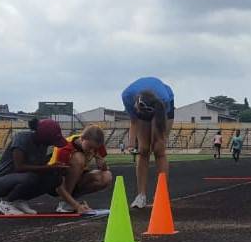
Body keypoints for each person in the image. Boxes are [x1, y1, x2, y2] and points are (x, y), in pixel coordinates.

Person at [0, 119, 68, 215]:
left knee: (55, 179)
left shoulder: (42, 144)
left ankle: (18, 200)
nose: (52, 144)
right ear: (45, 137)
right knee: (31, 177)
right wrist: (50, 168)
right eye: (52, 141)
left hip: (21, 177)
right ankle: (6, 203)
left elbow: (38, 165)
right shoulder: (22, 138)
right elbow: (19, 167)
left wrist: (55, 165)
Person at [121, 77, 174, 209]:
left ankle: (161, 195)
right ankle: (141, 196)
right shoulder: (127, 96)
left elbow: (159, 124)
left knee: (159, 149)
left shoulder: (164, 99)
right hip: (145, 105)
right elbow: (134, 121)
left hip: (162, 108)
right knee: (143, 150)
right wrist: (131, 144)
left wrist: (157, 139)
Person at [50, 125, 112, 214]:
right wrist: (77, 206)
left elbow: (105, 168)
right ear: (82, 139)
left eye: (94, 148)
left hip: (76, 179)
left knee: (106, 176)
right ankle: (65, 203)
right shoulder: (65, 148)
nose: (91, 151)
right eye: (90, 147)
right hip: (54, 182)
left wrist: (102, 164)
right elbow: (58, 185)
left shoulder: (97, 145)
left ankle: (71, 200)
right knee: (79, 158)